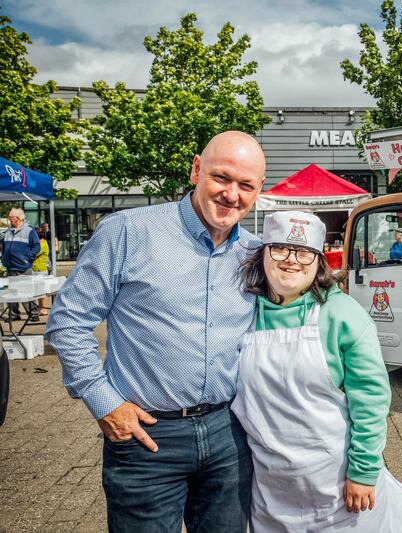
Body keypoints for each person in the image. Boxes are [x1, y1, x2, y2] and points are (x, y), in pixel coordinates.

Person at [45, 131, 265, 532]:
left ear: (258, 190)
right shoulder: (128, 232)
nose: (232, 195)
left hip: (230, 435)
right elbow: (68, 320)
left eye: (245, 185)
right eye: (221, 177)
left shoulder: (255, 252)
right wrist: (104, 402)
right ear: (197, 169)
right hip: (147, 438)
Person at [234, 211, 402, 532]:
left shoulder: (341, 314)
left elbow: (370, 400)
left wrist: (363, 472)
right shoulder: (241, 313)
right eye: (280, 249)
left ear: (318, 261)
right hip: (271, 487)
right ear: (263, 254)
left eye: (304, 253)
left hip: (337, 484)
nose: (292, 261)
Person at [1, 208, 41, 321]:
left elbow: (37, 247)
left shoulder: (29, 231)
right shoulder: (9, 231)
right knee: (12, 293)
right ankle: (14, 314)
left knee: (27, 290)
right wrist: (3, 257)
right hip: (10, 266)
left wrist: (27, 258)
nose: (9, 220)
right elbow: (4, 246)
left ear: (18, 218)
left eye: (11, 217)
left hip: (23, 266)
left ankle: (33, 313)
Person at [32, 225, 50, 317]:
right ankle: (41, 308)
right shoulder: (40, 243)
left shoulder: (41, 244)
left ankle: (43, 309)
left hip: (40, 270)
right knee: (39, 291)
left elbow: (34, 254)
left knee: (42, 291)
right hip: (37, 269)